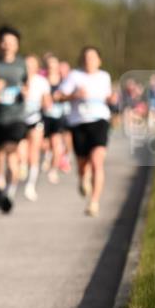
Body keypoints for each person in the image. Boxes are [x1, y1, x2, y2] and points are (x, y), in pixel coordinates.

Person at [57, 47, 117, 216]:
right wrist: (74, 95)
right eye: (86, 57)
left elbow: (107, 96)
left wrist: (111, 99)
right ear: (81, 60)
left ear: (99, 60)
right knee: (83, 165)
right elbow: (59, 96)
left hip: (99, 121)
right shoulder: (74, 76)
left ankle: (94, 202)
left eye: (93, 57)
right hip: (78, 123)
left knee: (97, 161)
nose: (89, 61)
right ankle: (83, 177)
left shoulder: (104, 76)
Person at [0, 26, 28, 214]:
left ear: (17, 45)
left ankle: (9, 192)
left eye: (11, 42)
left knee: (11, 155)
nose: (7, 46)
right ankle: (0, 185)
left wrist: (25, 92)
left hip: (16, 116)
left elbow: (26, 84)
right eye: (4, 42)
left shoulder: (21, 64)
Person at [21, 54, 52, 201]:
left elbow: (48, 103)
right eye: (26, 64)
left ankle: (30, 185)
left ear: (37, 67)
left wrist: (45, 103)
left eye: (31, 64)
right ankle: (22, 167)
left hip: (36, 119)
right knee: (22, 151)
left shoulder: (41, 81)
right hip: (18, 120)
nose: (28, 67)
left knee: (34, 151)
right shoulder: (18, 79)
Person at [41, 53, 67, 184]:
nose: (51, 68)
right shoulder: (42, 80)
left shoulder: (64, 81)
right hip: (43, 116)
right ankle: (46, 156)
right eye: (49, 65)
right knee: (44, 144)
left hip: (58, 117)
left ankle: (53, 169)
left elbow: (69, 96)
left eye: (54, 65)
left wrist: (61, 97)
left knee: (57, 144)